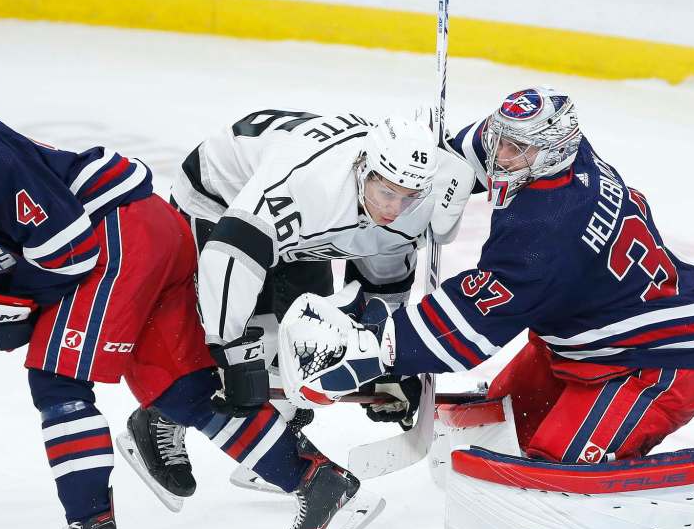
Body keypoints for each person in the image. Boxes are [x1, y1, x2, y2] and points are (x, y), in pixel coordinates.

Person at [0, 73, 384, 529]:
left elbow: (69, 252)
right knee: (181, 389)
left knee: (58, 378)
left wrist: (15, 296)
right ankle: (319, 483)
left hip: (120, 235)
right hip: (138, 236)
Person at [279, 86, 694, 466]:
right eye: (502, 139)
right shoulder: (563, 151)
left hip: (656, 361)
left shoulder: (547, 228)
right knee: (502, 423)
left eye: (515, 149)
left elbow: (472, 326)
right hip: (577, 339)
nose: (500, 155)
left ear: (551, 151)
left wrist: (379, 345)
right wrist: (434, 172)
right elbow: (473, 150)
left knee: (553, 463)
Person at [122, 109, 476, 500]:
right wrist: (231, 353)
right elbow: (230, 256)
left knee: (308, 340)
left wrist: (385, 364)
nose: (393, 210)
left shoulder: (410, 210)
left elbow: (381, 286)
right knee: (223, 341)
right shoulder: (309, 188)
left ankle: (277, 431)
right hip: (221, 202)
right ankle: (160, 417)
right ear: (363, 170)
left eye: (408, 199)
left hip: (297, 230)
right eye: (386, 193)